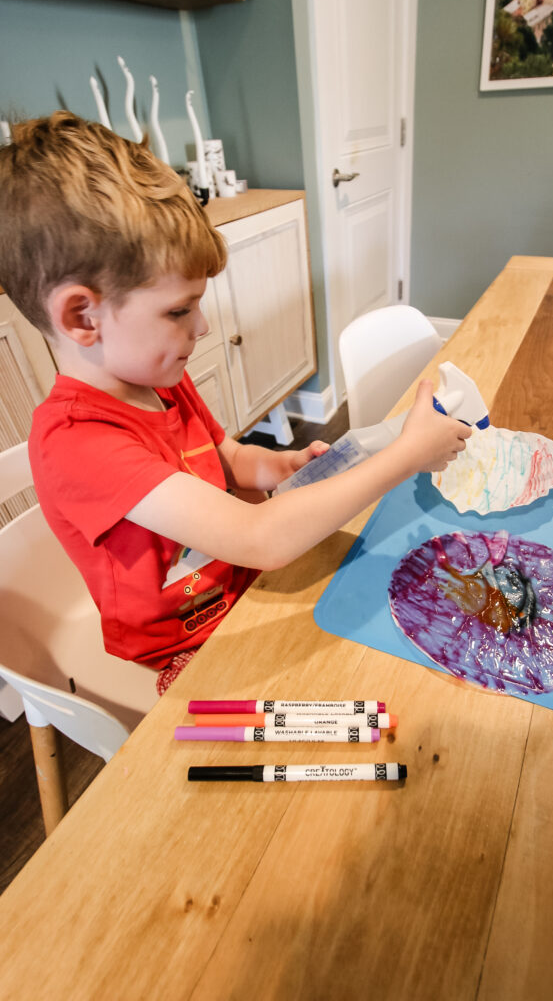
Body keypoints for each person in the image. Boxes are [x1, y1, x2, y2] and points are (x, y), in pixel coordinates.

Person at [0, 111, 471, 693]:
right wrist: (404, 456)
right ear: (81, 316)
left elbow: (222, 455)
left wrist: (275, 465)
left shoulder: (157, 375)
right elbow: (259, 537)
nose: (200, 326)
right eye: (178, 310)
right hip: (182, 638)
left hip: (235, 583)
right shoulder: (78, 444)